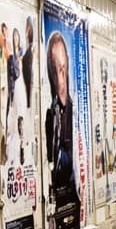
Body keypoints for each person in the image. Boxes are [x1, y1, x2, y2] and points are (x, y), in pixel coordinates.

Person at [45, 31, 76, 193]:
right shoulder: (50, 116)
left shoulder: (75, 114)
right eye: (57, 70)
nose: (61, 76)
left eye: (63, 68)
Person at [7, 27, 21, 119]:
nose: (15, 39)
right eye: (14, 37)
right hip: (12, 85)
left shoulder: (20, 52)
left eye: (17, 37)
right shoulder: (11, 55)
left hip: (18, 84)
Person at [22, 16, 35, 108]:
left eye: (29, 29)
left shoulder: (30, 50)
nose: (27, 31)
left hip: (28, 80)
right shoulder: (26, 48)